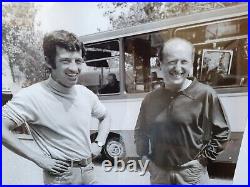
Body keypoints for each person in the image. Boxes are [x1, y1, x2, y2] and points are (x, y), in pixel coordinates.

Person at [2, 30, 110, 184]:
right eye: (65, 61)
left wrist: (99, 144)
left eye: (78, 61)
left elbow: (105, 116)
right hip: (61, 176)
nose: (74, 68)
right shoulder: (32, 96)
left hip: (89, 172)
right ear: (48, 62)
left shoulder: (84, 93)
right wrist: (37, 158)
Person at [134, 38, 230, 184]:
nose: (178, 68)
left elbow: (222, 132)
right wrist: (144, 157)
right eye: (172, 61)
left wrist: (202, 161)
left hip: (192, 177)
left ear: (191, 64)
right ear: (160, 64)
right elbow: (141, 131)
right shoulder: (150, 99)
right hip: (160, 177)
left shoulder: (205, 94)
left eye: (184, 61)